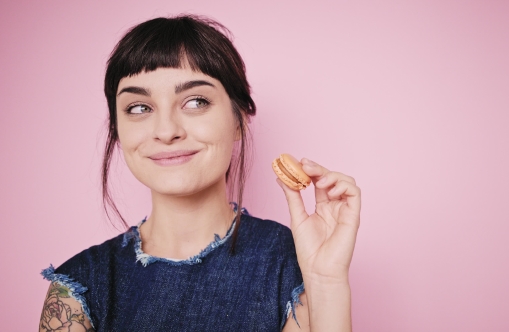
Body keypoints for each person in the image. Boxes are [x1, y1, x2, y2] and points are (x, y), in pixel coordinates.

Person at [39, 15, 360, 332]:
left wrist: (326, 281)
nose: (166, 131)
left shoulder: (293, 263)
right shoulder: (77, 290)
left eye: (195, 101)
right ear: (118, 130)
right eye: (139, 107)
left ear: (238, 120)